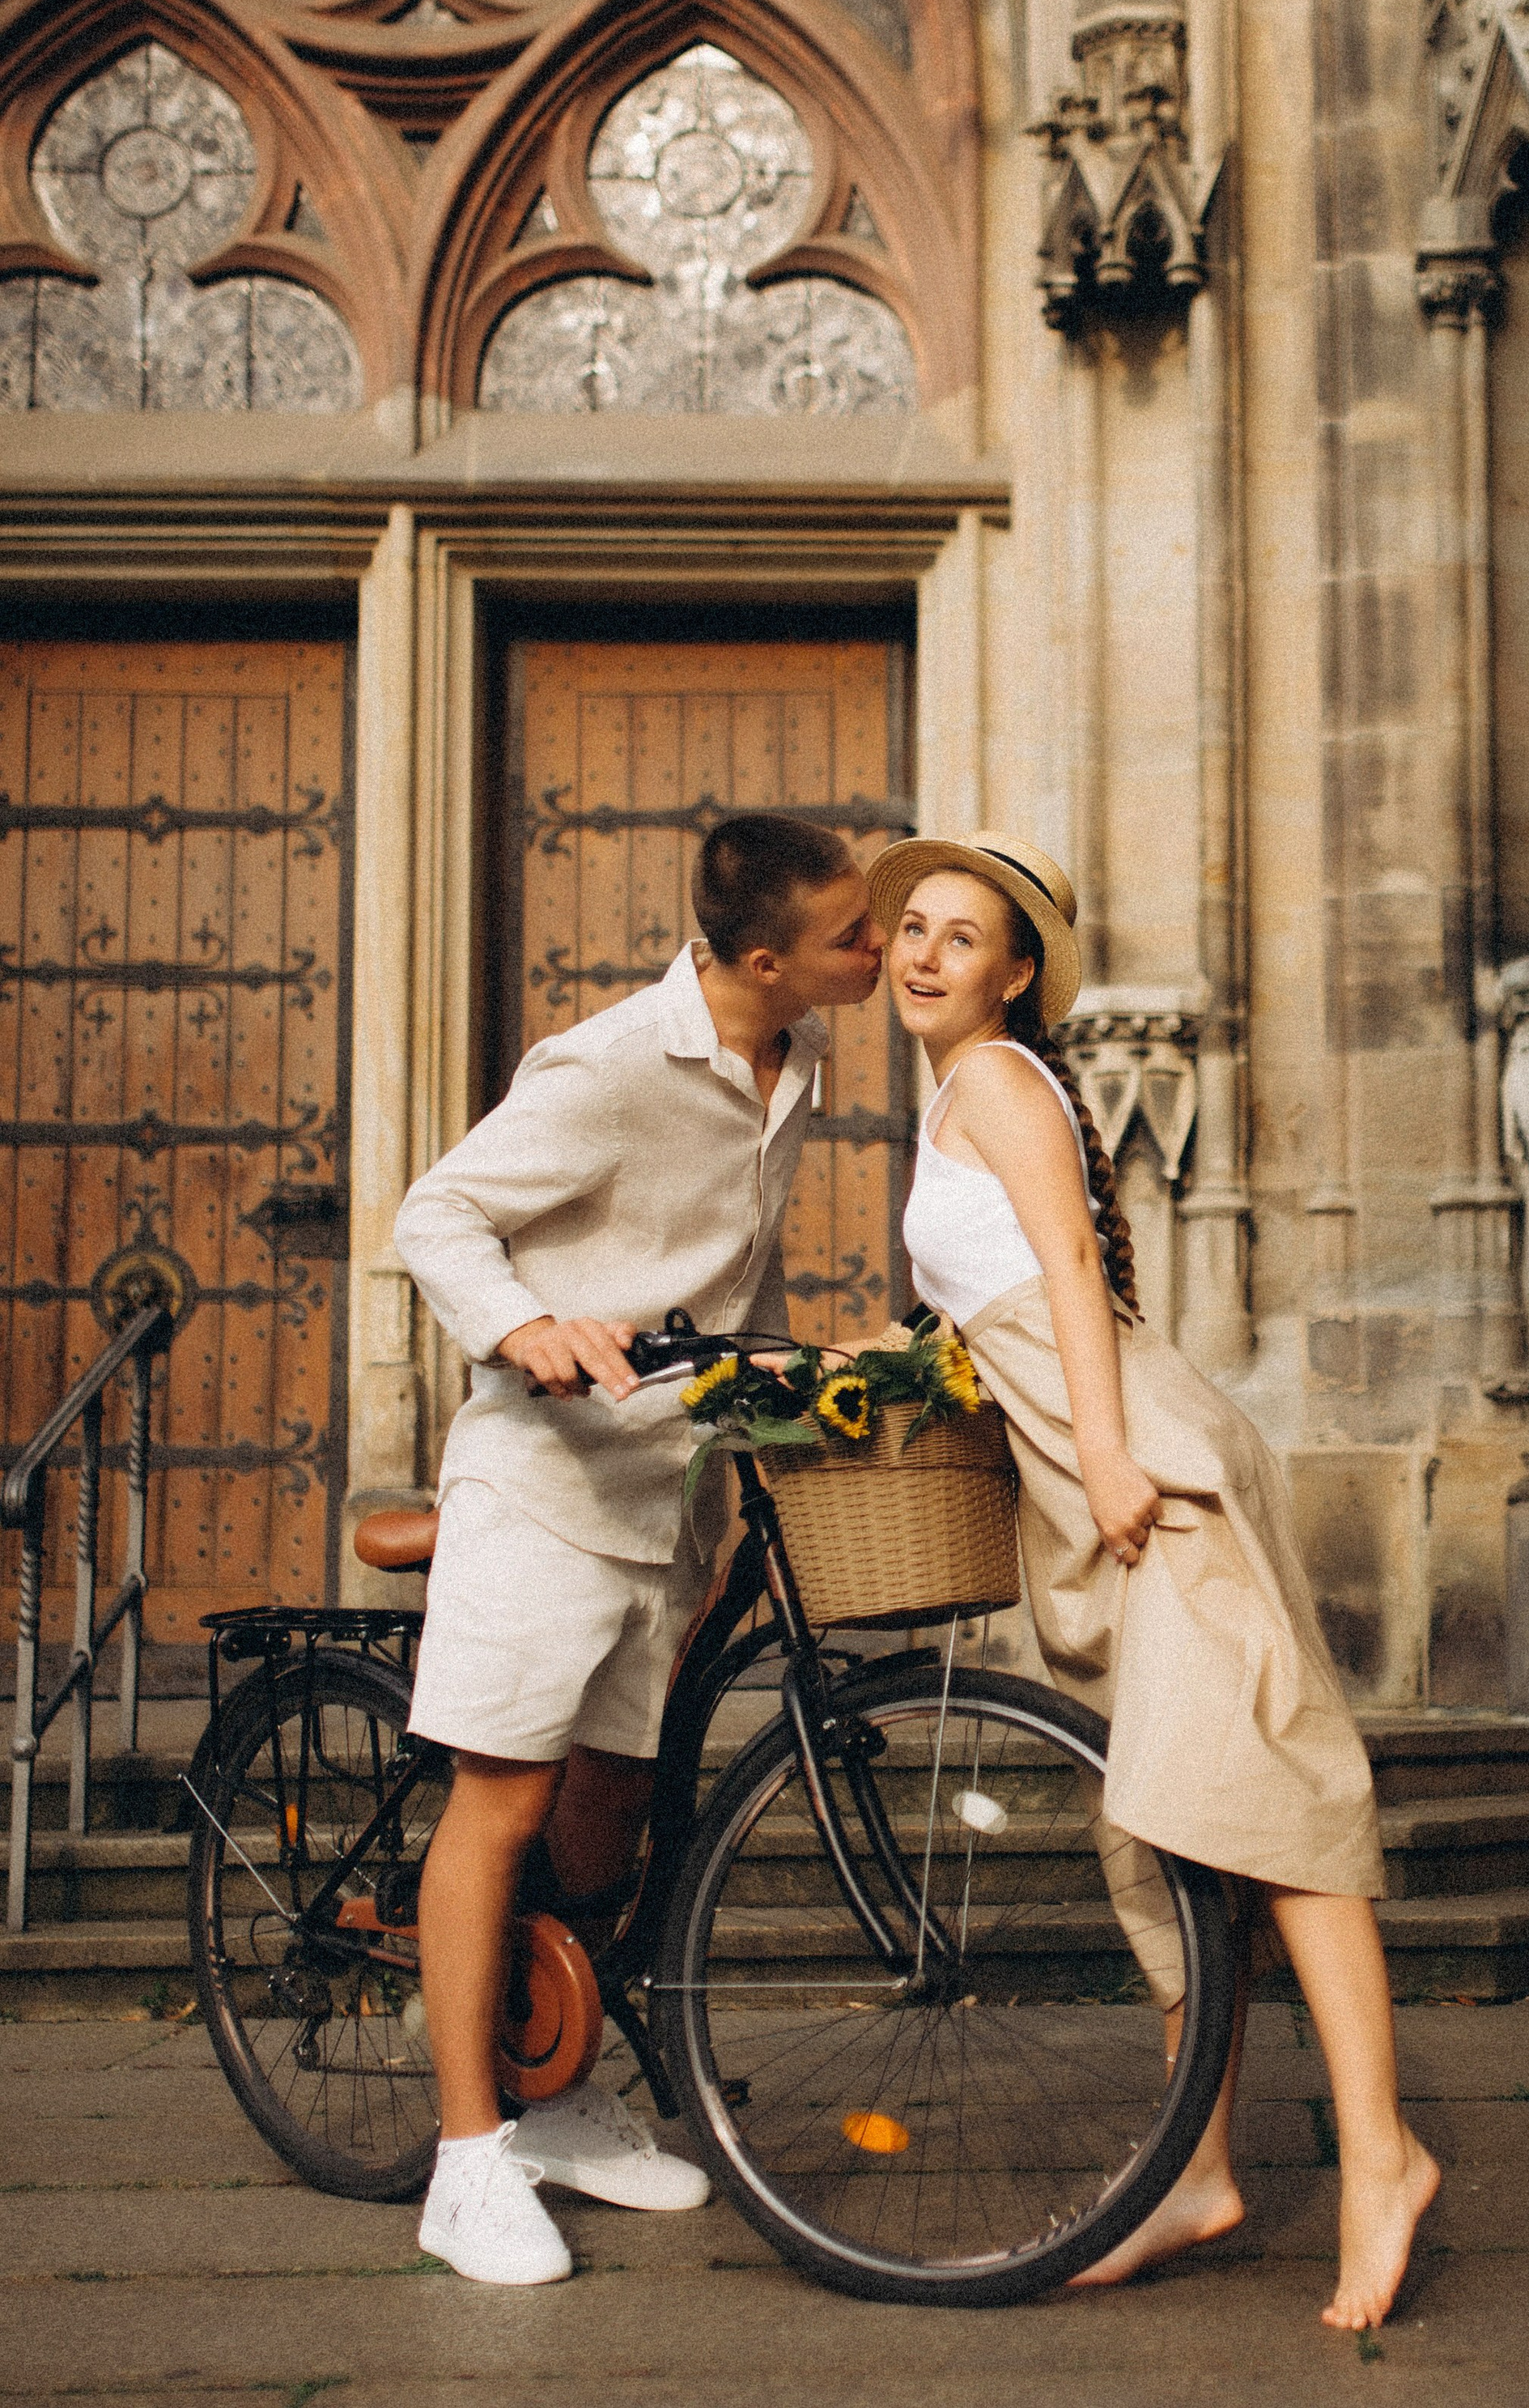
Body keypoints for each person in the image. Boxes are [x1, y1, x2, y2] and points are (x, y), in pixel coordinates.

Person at [863, 830, 1442, 2334]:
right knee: (1175, 1825)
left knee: (1278, 1803)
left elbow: (1067, 1263)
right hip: (1095, 1459)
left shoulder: (993, 1077)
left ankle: (1381, 2160)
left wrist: (1113, 1462)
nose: (924, 954)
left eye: (961, 936)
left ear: (1016, 972)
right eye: (911, 927)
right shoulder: (964, 1091)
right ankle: (1199, 2174)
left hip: (1140, 1465)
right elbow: (999, 1303)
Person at [390, 811, 884, 2287]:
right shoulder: (607, 1066)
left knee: (607, 1815)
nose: (880, 948)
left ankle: (560, 2096)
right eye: (856, 934)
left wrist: (792, 1375)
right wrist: (525, 1327)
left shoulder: (794, 1062)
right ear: (761, 956)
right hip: (542, 1484)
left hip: (669, 1493)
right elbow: (438, 1215)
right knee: (504, 1800)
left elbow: (727, 1269)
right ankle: (465, 2162)